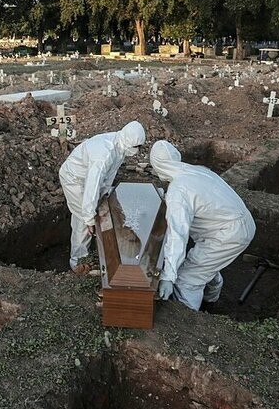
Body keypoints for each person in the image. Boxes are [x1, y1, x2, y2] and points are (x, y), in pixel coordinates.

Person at [149, 140, 255, 310]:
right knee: (203, 265)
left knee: (187, 279)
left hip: (228, 234)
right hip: (239, 224)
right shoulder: (197, 171)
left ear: (157, 166)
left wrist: (168, 276)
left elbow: (178, 235)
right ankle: (211, 300)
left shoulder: (179, 190)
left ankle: (188, 319)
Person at [59, 120, 146, 272]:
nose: (137, 151)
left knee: (91, 213)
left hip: (87, 179)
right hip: (75, 179)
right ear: (129, 142)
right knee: (82, 220)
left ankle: (88, 244)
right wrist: (89, 219)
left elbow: (106, 178)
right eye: (136, 147)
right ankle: (79, 262)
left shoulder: (120, 145)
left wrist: (104, 195)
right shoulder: (105, 154)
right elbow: (91, 187)